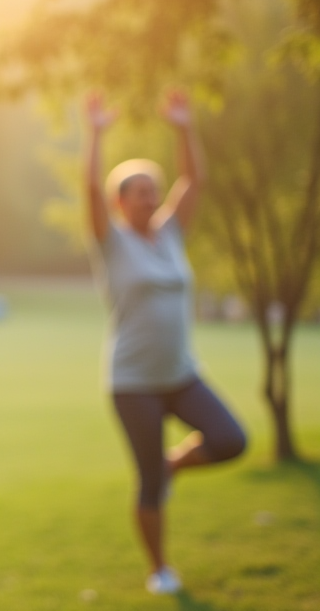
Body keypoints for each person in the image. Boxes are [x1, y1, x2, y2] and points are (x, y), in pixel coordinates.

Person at [83, 90, 246, 595]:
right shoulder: (111, 243)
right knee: (149, 484)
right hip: (133, 384)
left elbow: (195, 180)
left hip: (180, 374)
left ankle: (173, 463)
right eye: (139, 192)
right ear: (120, 202)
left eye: (154, 190)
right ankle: (159, 569)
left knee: (230, 441)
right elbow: (88, 189)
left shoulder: (171, 233)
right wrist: (95, 134)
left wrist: (183, 128)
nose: (151, 198)